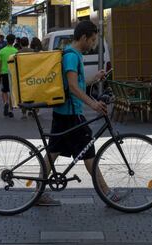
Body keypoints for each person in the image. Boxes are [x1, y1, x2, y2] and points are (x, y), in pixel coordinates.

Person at [36, 21, 115, 205]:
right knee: (89, 155)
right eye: (93, 40)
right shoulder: (72, 56)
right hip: (71, 115)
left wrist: (93, 78)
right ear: (84, 37)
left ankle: (37, 193)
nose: (94, 44)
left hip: (63, 113)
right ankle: (108, 193)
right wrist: (94, 104)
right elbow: (72, 87)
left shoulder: (74, 55)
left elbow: (76, 83)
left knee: (53, 153)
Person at [0, 34, 18, 118]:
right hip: (13, 73)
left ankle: (5, 102)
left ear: (6, 40)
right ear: (14, 41)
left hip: (4, 72)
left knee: (4, 90)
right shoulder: (16, 51)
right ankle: (10, 109)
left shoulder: (2, 51)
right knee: (11, 91)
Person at [18, 37, 34, 119]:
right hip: (31, 75)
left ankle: (24, 113)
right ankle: (32, 110)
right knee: (32, 93)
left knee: (23, 95)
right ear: (28, 43)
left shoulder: (18, 53)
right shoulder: (32, 52)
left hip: (22, 75)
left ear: (20, 43)